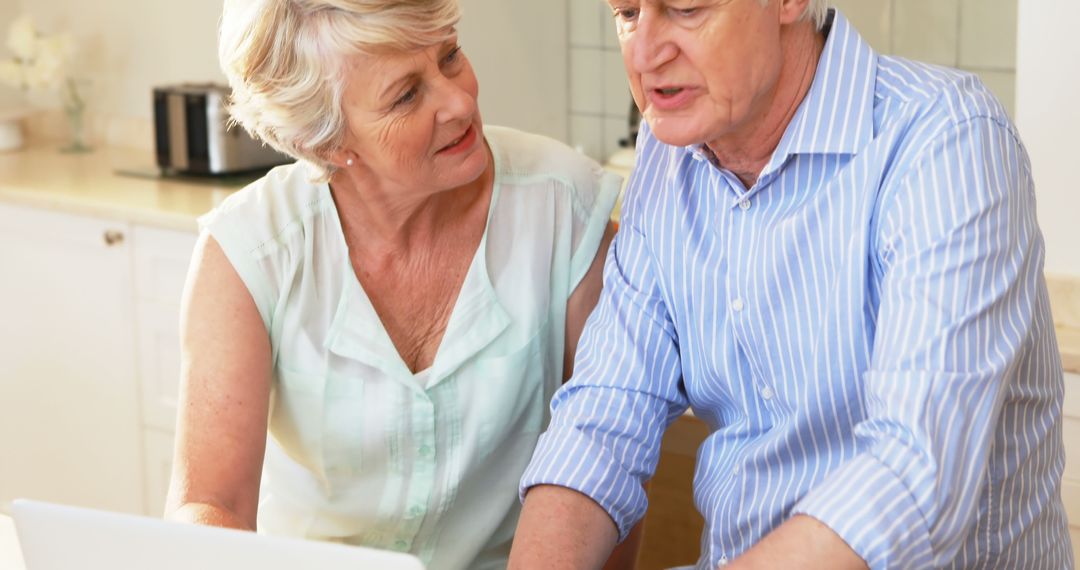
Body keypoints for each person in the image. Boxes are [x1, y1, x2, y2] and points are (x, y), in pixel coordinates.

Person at [511, 0, 1072, 568]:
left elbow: (913, 477)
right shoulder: (668, 158)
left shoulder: (946, 139)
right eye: (628, 13)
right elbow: (600, 423)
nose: (645, 52)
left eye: (683, 8)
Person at [163, 1, 639, 569]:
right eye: (407, 95)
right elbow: (208, 503)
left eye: (450, 56)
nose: (460, 102)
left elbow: (609, 470)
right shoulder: (250, 251)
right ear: (328, 143)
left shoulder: (569, 212)